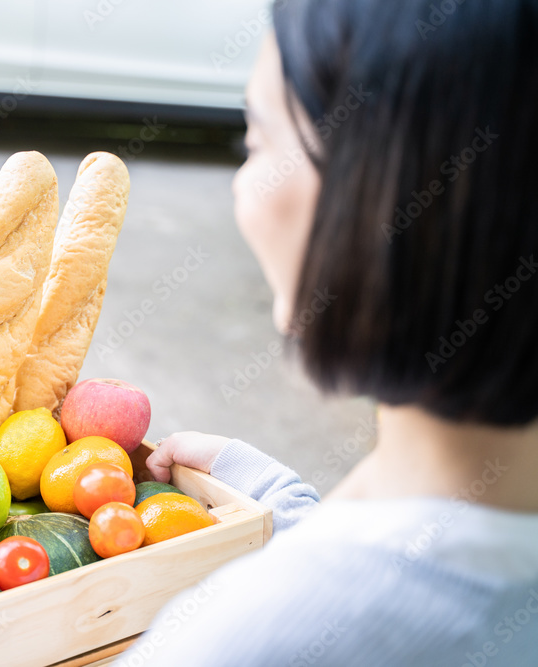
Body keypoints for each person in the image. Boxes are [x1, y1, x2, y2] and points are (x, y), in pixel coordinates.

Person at [123, 0, 538, 664]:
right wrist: (284, 504)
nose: (242, 190)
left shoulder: (236, 641)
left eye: (256, 141)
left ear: (379, 189)